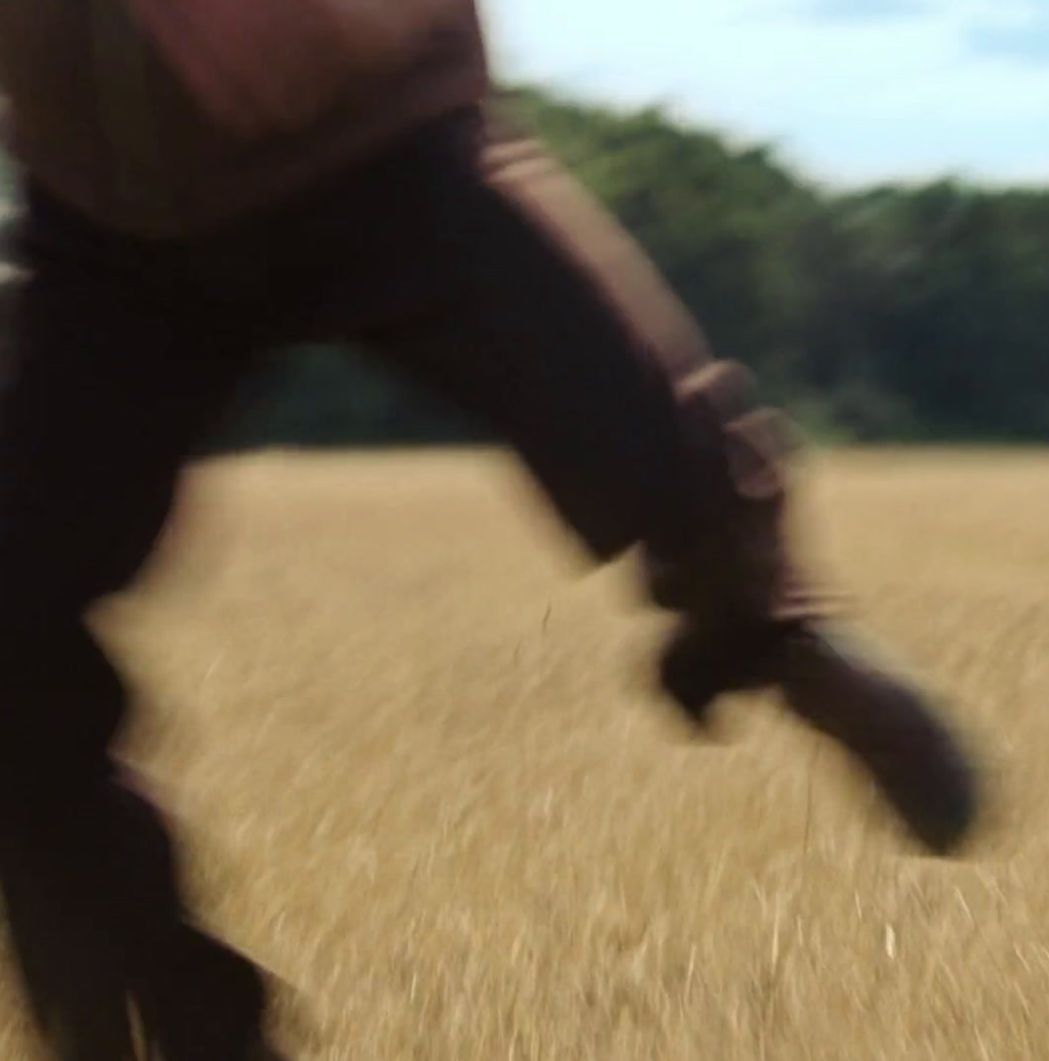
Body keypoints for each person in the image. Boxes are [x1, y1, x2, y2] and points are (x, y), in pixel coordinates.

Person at [0, 2, 981, 1057]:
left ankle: (773, 630)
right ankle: (166, 1031)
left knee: (628, 416)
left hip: (376, 144)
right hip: (112, 232)